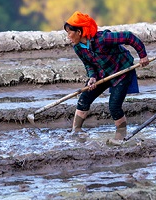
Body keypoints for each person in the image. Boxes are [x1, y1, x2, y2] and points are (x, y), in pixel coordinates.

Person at [64, 11, 151, 144]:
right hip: (102, 72)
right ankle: (76, 132)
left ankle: (121, 136)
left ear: (79, 32)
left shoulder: (103, 39)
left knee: (114, 106)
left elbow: (129, 36)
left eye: (69, 32)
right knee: (85, 98)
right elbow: (88, 64)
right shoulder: (78, 48)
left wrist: (143, 55)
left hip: (121, 72)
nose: (68, 36)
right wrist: (92, 77)